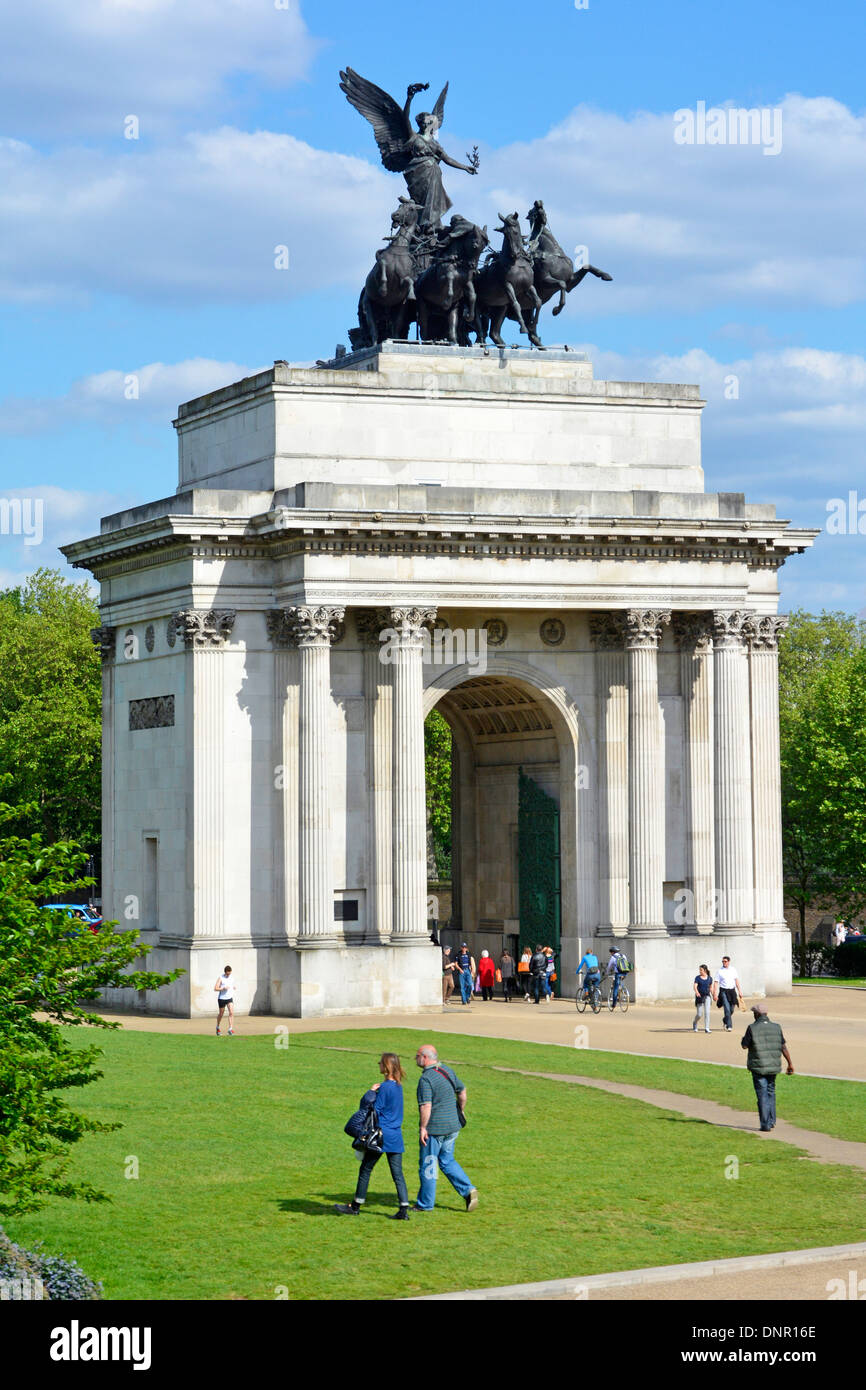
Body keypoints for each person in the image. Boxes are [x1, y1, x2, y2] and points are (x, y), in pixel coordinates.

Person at [334, 1053, 410, 1219]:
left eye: (380, 1063)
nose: (378, 1065)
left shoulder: (386, 1087)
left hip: (380, 1136)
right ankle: (404, 1209)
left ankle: (355, 1206)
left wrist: (370, 1093)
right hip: (396, 1135)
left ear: (386, 1066)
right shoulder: (398, 1086)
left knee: (366, 1169)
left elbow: (376, 1109)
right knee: (397, 1174)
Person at [413, 1044, 477, 1212]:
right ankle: (468, 1189)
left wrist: (422, 1128)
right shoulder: (447, 1070)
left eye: (417, 1055)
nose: (415, 1058)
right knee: (447, 1160)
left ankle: (425, 1204)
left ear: (425, 1058)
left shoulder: (426, 1079)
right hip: (453, 1126)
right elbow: (462, 1092)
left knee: (429, 1165)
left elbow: (426, 1106)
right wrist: (461, 1110)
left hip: (435, 1129)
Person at [741, 1003, 794, 1131]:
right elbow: (783, 1047)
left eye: (754, 1013)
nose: (753, 1015)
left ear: (757, 1014)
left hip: (759, 1067)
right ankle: (771, 1120)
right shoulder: (776, 1027)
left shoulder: (752, 1028)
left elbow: (744, 1045)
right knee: (771, 1092)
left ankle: (765, 1124)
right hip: (773, 1067)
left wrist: (744, 1039)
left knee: (762, 1095)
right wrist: (790, 1063)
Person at [712, 955, 743, 1031]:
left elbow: (736, 981)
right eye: (723, 961)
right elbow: (716, 983)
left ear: (729, 962)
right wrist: (714, 994)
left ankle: (725, 1019)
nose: (724, 963)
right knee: (727, 1009)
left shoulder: (733, 969)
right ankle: (729, 1026)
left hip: (732, 991)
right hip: (723, 991)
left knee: (732, 1009)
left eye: (725, 961)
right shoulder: (719, 971)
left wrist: (740, 991)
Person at [214, 966, 236, 1035]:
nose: (228, 975)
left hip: (229, 998)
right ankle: (217, 1027)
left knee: (231, 1012)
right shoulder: (220, 978)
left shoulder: (232, 978)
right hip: (222, 998)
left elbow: (231, 985)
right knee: (221, 1014)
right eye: (227, 974)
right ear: (225, 972)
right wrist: (223, 988)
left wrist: (233, 987)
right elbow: (215, 988)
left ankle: (230, 1029)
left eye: (229, 974)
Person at [693, 963, 712, 1033]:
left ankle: (707, 1028)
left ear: (705, 970)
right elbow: (695, 986)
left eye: (701, 970)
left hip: (707, 996)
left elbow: (710, 988)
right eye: (699, 970)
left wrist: (714, 995)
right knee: (699, 1014)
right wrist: (697, 992)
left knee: (707, 1012)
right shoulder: (697, 978)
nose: (700, 971)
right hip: (699, 997)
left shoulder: (710, 978)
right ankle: (695, 1023)